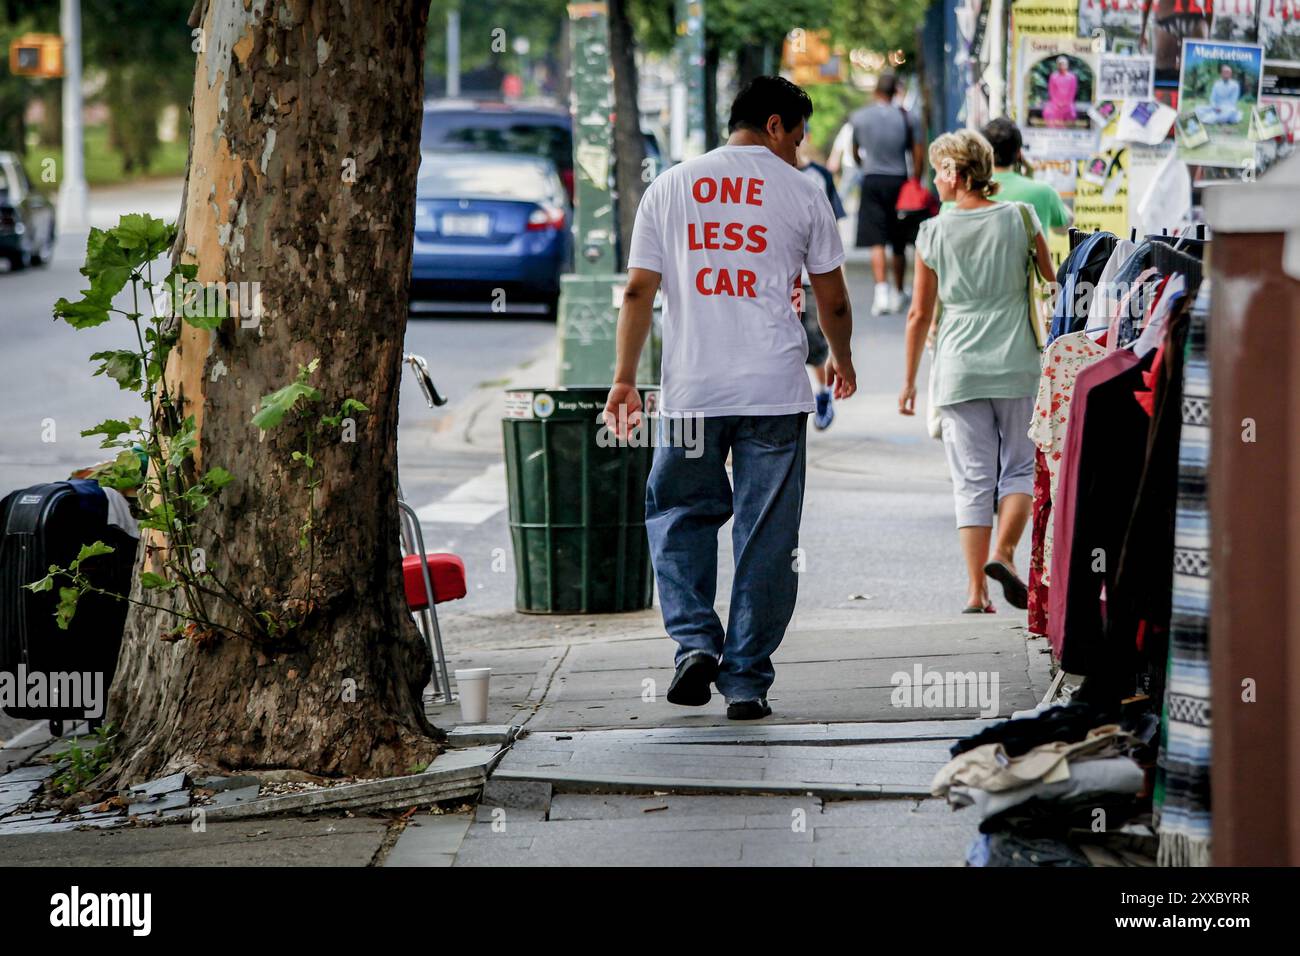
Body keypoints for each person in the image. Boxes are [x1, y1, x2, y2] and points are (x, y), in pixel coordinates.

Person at [604, 76, 856, 720]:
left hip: (692, 395)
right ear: (774, 125)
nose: (798, 153)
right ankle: (745, 678)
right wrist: (840, 361)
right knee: (767, 534)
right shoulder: (803, 192)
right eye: (796, 138)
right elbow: (832, 297)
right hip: (774, 393)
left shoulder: (671, 185)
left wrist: (625, 379)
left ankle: (693, 642)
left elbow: (638, 292)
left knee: (679, 513)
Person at [899, 130, 1056, 614]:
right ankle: (1003, 553)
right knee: (1020, 469)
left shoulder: (934, 232)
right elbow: (1051, 281)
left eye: (941, 169)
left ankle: (975, 592)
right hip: (1017, 363)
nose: (934, 179)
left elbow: (919, 315)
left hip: (958, 367)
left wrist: (908, 383)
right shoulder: (1021, 217)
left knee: (971, 479)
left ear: (959, 174)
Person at [849, 72, 925, 315]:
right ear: (896, 92)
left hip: (872, 180)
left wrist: (865, 168)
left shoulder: (860, 117)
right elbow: (917, 152)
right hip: (899, 181)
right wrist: (915, 180)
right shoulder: (907, 117)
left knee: (877, 239)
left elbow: (854, 150)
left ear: (875, 91)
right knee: (899, 241)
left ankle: (881, 292)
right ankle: (899, 291)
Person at [797, 145, 848, 430]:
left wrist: (839, 272)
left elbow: (832, 227)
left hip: (812, 277)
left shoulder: (819, 177)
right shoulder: (771, 176)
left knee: (816, 342)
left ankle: (823, 393)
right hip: (780, 280)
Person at [981, 117, 1072, 234]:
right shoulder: (1043, 191)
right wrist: (1030, 181)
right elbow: (1064, 227)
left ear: (983, 152)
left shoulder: (967, 192)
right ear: (1019, 154)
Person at [1042, 57, 1078, 126]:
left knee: (1072, 113)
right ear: (1057, 65)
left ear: (1067, 65)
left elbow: (1072, 92)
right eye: (1060, 64)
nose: (1062, 66)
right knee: (1047, 111)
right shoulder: (1053, 76)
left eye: (1064, 64)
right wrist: (1057, 103)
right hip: (1055, 102)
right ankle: (1053, 131)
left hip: (1068, 103)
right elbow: (1051, 91)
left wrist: (1065, 103)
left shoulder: (1072, 77)